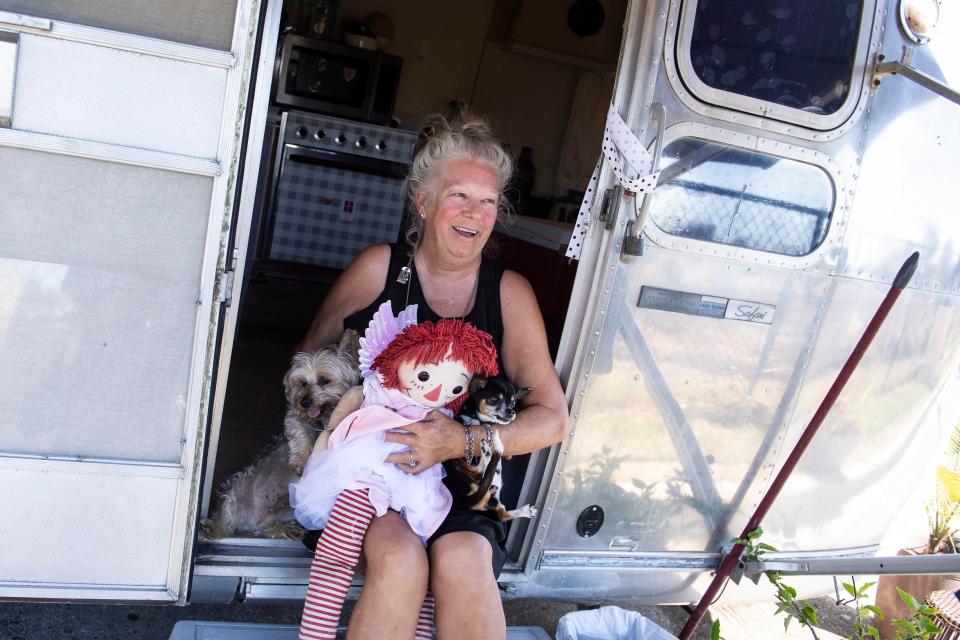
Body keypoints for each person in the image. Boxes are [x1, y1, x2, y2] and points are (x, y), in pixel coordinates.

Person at [298, 112, 569, 640]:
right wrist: (354, 421)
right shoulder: (379, 267)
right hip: (375, 477)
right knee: (400, 561)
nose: (475, 213)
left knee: (467, 564)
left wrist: (459, 439)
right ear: (423, 202)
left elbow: (553, 420)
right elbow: (306, 368)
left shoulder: (509, 293)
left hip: (463, 483)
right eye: (459, 196)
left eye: (488, 201)